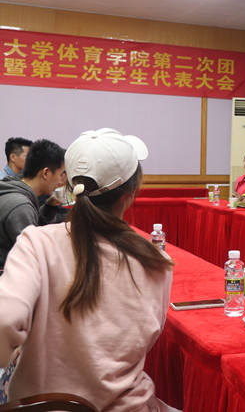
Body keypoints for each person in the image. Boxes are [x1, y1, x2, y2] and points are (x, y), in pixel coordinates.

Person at [0, 128, 173, 410]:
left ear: (70, 187)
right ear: (130, 194)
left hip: (43, 404)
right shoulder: (157, 262)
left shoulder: (36, 242)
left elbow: (5, 320)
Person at [0, 139, 66, 268]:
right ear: (45, 173)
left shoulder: (13, 190)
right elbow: (32, 255)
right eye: (60, 174)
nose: (60, 180)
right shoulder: (21, 206)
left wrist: (49, 208)